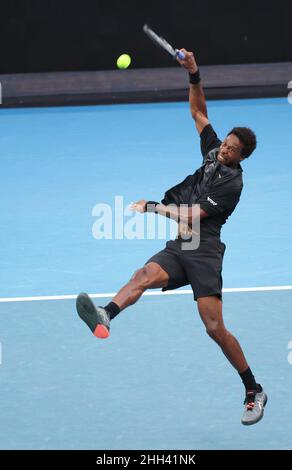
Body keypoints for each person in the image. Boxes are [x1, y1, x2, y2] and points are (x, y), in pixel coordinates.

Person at [76, 49, 267, 426]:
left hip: (205, 249)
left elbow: (195, 215)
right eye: (225, 144)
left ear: (242, 158)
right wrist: (194, 74)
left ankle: (252, 389)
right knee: (142, 275)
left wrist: (153, 207)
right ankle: (106, 314)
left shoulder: (233, 181)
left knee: (214, 328)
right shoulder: (214, 153)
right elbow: (198, 114)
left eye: (232, 150)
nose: (224, 150)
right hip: (182, 245)